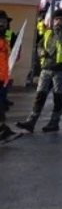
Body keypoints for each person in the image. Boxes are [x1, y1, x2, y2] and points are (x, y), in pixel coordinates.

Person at [16, 10, 62, 133]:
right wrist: (40, 52)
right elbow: (39, 45)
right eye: (56, 19)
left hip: (61, 68)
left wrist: (58, 29)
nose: (58, 21)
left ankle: (54, 122)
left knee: (57, 96)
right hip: (46, 67)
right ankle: (31, 122)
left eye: (61, 19)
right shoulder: (48, 32)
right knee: (40, 95)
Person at [0, 10, 18, 142]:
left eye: (4, 22)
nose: (2, 24)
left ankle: (3, 132)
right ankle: (4, 132)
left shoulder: (4, 39)